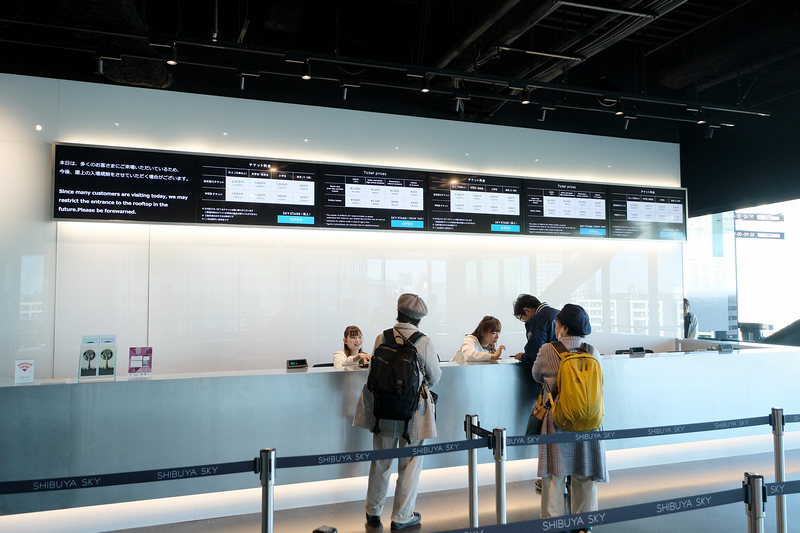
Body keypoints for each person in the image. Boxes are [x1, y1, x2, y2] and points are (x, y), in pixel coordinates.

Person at [353, 293, 442, 530]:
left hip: (383, 409)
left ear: (398, 312)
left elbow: (373, 370)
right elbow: (435, 376)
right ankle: (402, 516)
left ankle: (373, 512)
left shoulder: (382, 337)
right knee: (410, 463)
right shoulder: (424, 341)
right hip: (413, 412)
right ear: (419, 319)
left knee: (381, 461)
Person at [532, 304, 608, 532]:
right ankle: (584, 525)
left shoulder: (547, 350)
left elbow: (536, 374)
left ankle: (554, 522)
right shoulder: (593, 351)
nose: (555, 327)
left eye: (556, 323)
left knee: (555, 473)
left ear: (564, 327)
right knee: (585, 472)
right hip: (589, 421)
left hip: (557, 419)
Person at [512, 294, 559, 373]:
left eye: (523, 319)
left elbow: (534, 352)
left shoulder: (536, 320)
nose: (526, 322)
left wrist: (523, 357)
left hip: (549, 371)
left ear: (527, 310)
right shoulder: (558, 313)